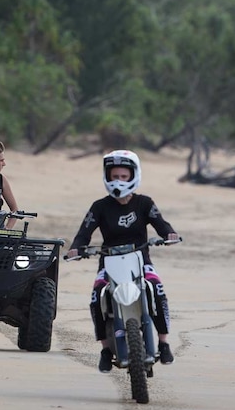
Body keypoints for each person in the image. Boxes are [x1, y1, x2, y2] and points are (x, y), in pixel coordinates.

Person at [65, 150, 179, 373]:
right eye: (114, 176)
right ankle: (106, 349)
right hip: (108, 262)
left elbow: (161, 224)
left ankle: (164, 343)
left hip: (141, 260)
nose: (119, 180)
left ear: (133, 176)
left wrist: (170, 234)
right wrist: (75, 249)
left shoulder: (144, 203)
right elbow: (84, 232)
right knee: (97, 296)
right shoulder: (100, 206)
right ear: (107, 177)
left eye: (123, 176)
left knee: (157, 289)